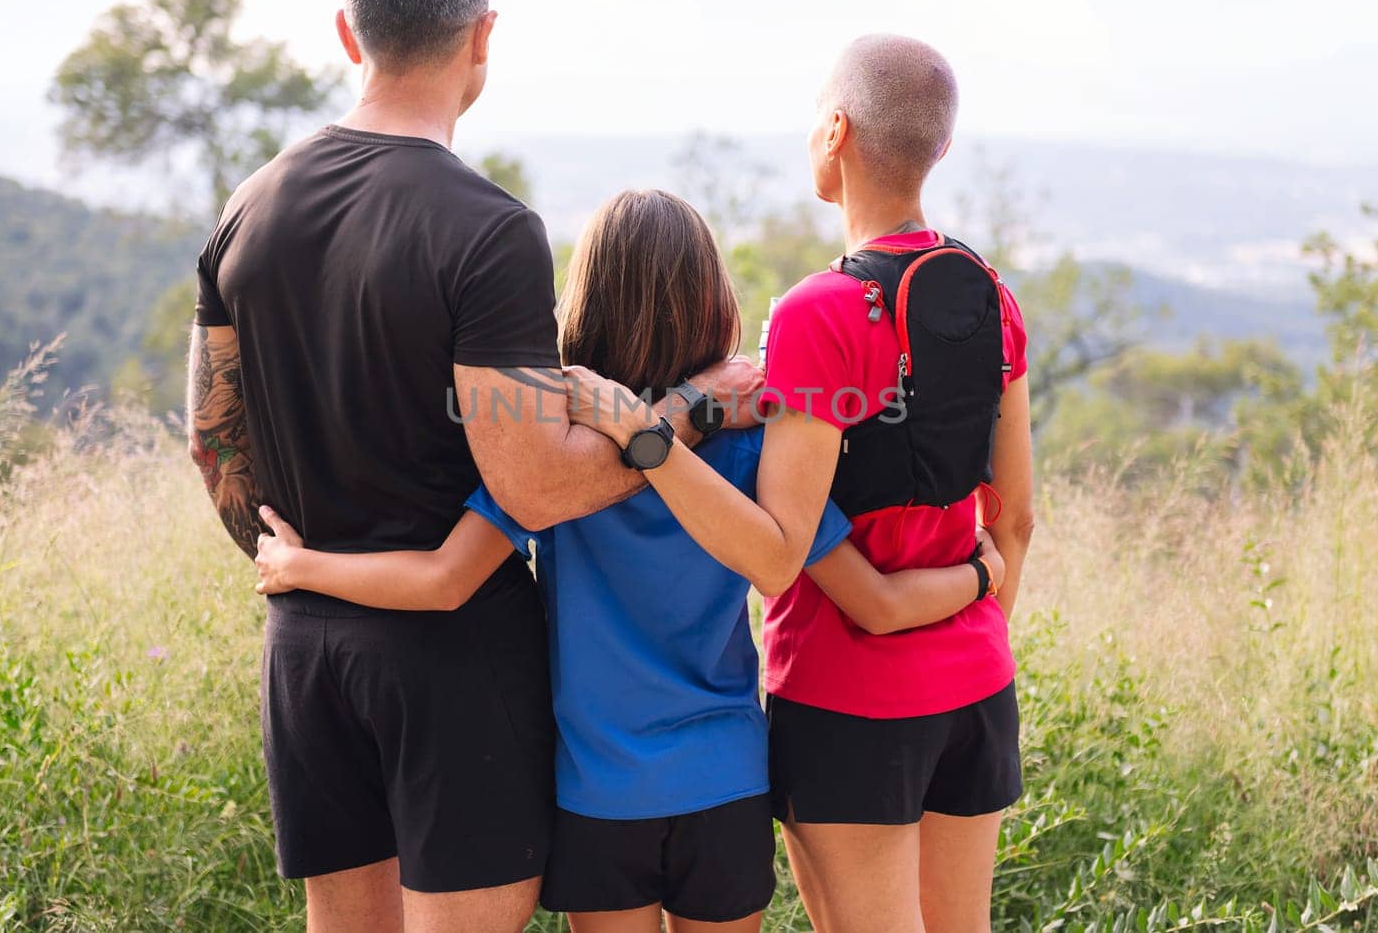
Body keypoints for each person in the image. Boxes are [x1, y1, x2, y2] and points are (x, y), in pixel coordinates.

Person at [185, 0, 757, 933]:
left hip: (305, 645)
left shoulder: (249, 207)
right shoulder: (485, 230)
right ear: (482, 35)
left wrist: (295, 560)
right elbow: (537, 486)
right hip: (450, 664)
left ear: (348, 33)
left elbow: (211, 437)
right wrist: (686, 411)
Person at [251, 188, 1008, 933]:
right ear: (712, 300)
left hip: (599, 792)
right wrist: (981, 572)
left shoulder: (555, 466)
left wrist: (300, 568)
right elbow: (870, 595)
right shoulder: (749, 451)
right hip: (726, 778)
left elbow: (446, 579)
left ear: (584, 302)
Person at [569, 35, 1034, 933]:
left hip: (849, 699)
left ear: (836, 130)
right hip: (977, 682)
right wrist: (974, 617)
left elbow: (780, 554)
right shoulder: (992, 295)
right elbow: (1013, 517)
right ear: (939, 148)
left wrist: (653, 437)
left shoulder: (817, 312)